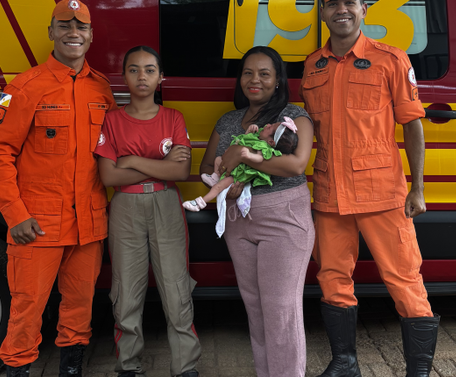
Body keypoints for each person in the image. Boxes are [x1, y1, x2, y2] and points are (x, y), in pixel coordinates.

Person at [300, 0, 439, 377]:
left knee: (404, 279)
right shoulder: (314, 65)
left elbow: (413, 124)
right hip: (329, 191)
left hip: (381, 192)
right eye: (333, 3)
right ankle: (345, 363)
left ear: (363, 8)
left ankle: (418, 371)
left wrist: (418, 188)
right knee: (332, 278)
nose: (341, 10)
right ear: (323, 12)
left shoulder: (390, 59)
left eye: (349, 2)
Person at [0, 0, 115, 377]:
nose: (73, 32)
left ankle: (70, 369)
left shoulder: (101, 90)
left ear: (90, 36)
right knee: (27, 308)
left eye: (81, 26)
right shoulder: (25, 88)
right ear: (51, 33)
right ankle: (18, 369)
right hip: (37, 224)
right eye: (64, 25)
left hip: (88, 224)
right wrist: (15, 215)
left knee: (79, 307)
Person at [196, 46, 315, 377]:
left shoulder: (293, 117)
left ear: (278, 80)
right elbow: (207, 165)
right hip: (238, 221)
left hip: (283, 219)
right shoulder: (230, 119)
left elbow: (296, 164)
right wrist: (225, 180)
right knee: (256, 308)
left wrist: (246, 159)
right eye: (248, 72)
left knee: (280, 310)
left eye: (265, 73)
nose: (255, 80)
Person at [95, 46, 201, 377]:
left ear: (161, 77)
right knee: (126, 290)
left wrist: (134, 161)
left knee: (175, 287)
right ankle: (128, 365)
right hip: (125, 206)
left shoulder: (173, 117)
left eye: (150, 70)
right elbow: (109, 176)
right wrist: (161, 166)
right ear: (123, 76)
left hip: (165, 203)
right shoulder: (111, 121)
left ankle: (185, 366)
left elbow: (181, 173)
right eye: (134, 69)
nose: (142, 76)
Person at [182, 117, 299, 212]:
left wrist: (248, 156)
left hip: (239, 174)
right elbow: (243, 138)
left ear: (271, 142)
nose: (267, 124)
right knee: (218, 159)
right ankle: (215, 177)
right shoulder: (257, 138)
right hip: (232, 167)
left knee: (218, 188)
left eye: (270, 128)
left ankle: (199, 203)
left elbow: (259, 158)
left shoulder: (264, 147)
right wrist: (249, 131)